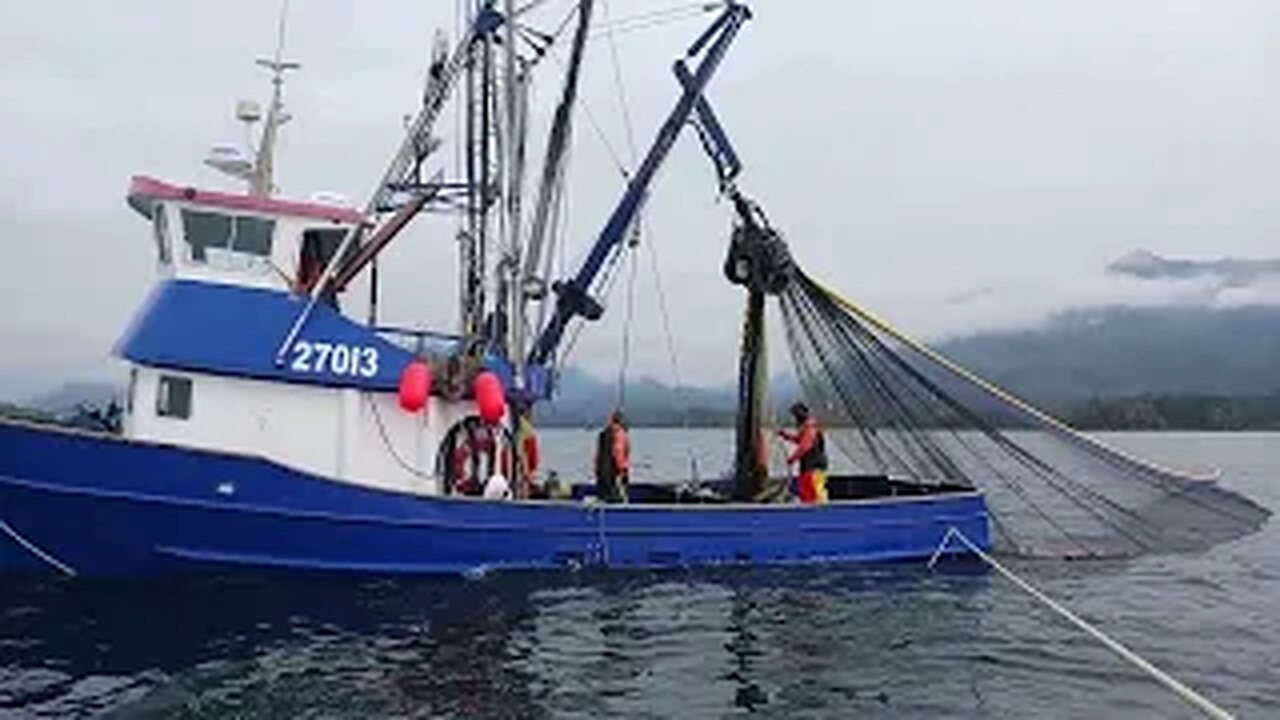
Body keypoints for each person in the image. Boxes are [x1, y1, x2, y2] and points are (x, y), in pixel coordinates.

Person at [778, 401, 828, 504]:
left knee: (816, 493)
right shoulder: (805, 427)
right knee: (806, 493)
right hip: (806, 467)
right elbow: (799, 439)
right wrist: (785, 435)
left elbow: (805, 446)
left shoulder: (810, 427)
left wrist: (792, 458)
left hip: (815, 467)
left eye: (796, 414)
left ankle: (822, 512)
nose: (795, 418)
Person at [594, 409, 630, 503]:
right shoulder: (619, 433)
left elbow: (597, 456)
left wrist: (597, 471)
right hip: (613, 473)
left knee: (603, 498)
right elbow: (618, 453)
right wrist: (622, 470)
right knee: (616, 498)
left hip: (601, 473)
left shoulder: (603, 433)